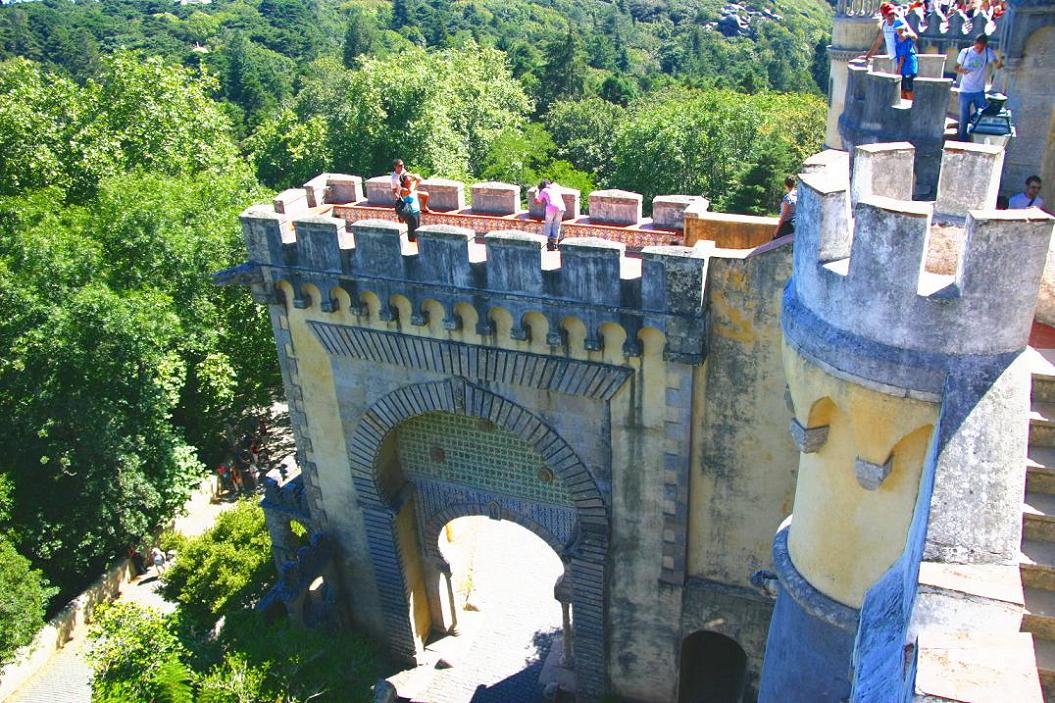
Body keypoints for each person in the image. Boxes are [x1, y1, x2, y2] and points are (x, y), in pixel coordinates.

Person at [955, 34, 1003, 141]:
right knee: (964, 118)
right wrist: (963, 71)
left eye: (981, 48)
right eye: (977, 47)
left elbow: (997, 65)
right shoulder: (965, 52)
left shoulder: (987, 52)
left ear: (985, 46)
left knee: (982, 116)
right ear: (974, 44)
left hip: (979, 91)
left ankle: (978, 138)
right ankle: (963, 140)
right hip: (965, 91)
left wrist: (1000, 62)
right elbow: (956, 67)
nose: (979, 50)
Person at [535, 179, 567, 251]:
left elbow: (537, 201)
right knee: (557, 225)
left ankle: (546, 244)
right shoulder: (556, 187)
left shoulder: (544, 190)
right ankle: (555, 245)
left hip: (551, 208)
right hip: (561, 208)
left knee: (548, 225)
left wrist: (536, 193)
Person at [895, 22, 919, 101]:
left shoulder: (905, 39)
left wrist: (898, 69)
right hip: (905, 68)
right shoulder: (899, 38)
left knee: (908, 91)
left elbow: (902, 57)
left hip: (908, 68)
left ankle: (911, 109)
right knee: (902, 90)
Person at [399, 172, 422, 242]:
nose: (410, 178)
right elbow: (410, 191)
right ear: (404, 180)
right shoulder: (404, 190)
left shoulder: (412, 187)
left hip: (416, 212)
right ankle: (412, 249)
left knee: (417, 233)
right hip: (411, 214)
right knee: (413, 235)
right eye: (408, 177)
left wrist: (411, 175)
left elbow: (419, 179)